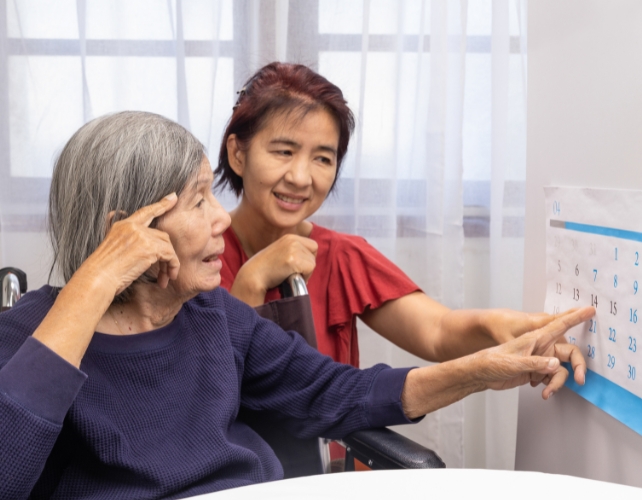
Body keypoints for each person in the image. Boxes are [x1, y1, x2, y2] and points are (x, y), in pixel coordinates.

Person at [0, 111, 592, 500]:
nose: (217, 219)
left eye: (213, 195)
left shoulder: (216, 320)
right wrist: (92, 285)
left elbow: (344, 394)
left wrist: (483, 370)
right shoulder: (25, 337)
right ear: (125, 234)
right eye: (198, 200)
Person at [216, 62, 565, 368]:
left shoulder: (341, 256)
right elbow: (205, 386)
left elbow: (437, 332)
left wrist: (505, 327)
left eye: (323, 158)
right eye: (283, 151)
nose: (301, 177)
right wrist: (252, 279)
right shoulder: (198, 256)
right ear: (238, 154)